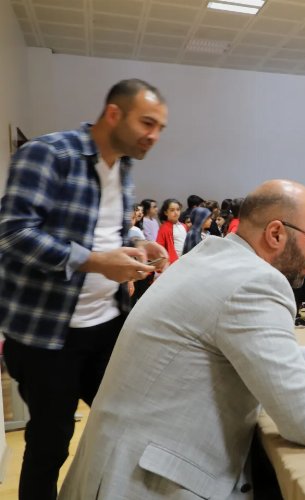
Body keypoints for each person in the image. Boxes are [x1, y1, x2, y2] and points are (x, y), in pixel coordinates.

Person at [59, 180, 305, 499]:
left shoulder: (210, 257)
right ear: (276, 234)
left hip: (115, 469)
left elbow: (224, 346)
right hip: (150, 484)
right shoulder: (257, 281)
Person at [0, 78, 168, 500]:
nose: (154, 135)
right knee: (50, 443)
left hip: (105, 325)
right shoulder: (49, 153)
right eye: (147, 123)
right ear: (114, 114)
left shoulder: (123, 165)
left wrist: (135, 243)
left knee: (130, 421)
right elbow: (13, 232)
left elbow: (103, 231)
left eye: (160, 128)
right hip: (46, 334)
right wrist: (94, 261)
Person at [156, 198, 187, 263]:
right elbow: (159, 247)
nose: (176, 212)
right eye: (172, 210)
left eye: (178, 209)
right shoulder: (164, 228)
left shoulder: (184, 226)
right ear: (166, 212)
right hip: (172, 264)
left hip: (184, 261)